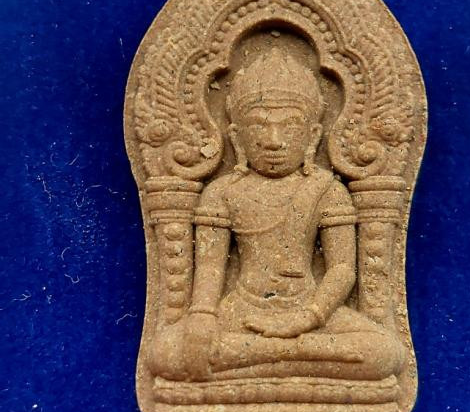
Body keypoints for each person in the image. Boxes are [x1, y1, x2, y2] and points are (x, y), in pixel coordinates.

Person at [153, 48, 404, 382]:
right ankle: (297, 356)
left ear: (313, 136)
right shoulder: (222, 192)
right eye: (259, 126)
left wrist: (307, 318)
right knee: (165, 353)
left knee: (385, 353)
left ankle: (254, 357)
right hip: (241, 311)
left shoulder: (327, 190)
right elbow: (211, 267)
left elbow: (342, 269)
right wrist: (202, 316)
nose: (273, 141)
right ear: (236, 137)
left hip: (310, 311)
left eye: (290, 126)